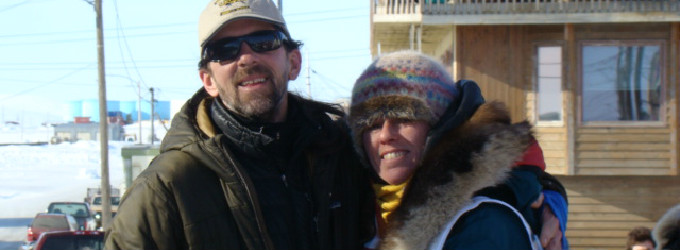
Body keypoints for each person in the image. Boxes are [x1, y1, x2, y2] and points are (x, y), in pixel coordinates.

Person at [104, 0, 373, 249]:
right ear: (208, 81)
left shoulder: (344, 157)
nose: (246, 58)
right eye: (224, 50)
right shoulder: (166, 189)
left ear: (294, 62)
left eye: (263, 41)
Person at [347, 50, 567, 249]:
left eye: (405, 118)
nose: (385, 135)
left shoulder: (480, 222)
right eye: (372, 126)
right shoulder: (358, 210)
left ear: (440, 127)